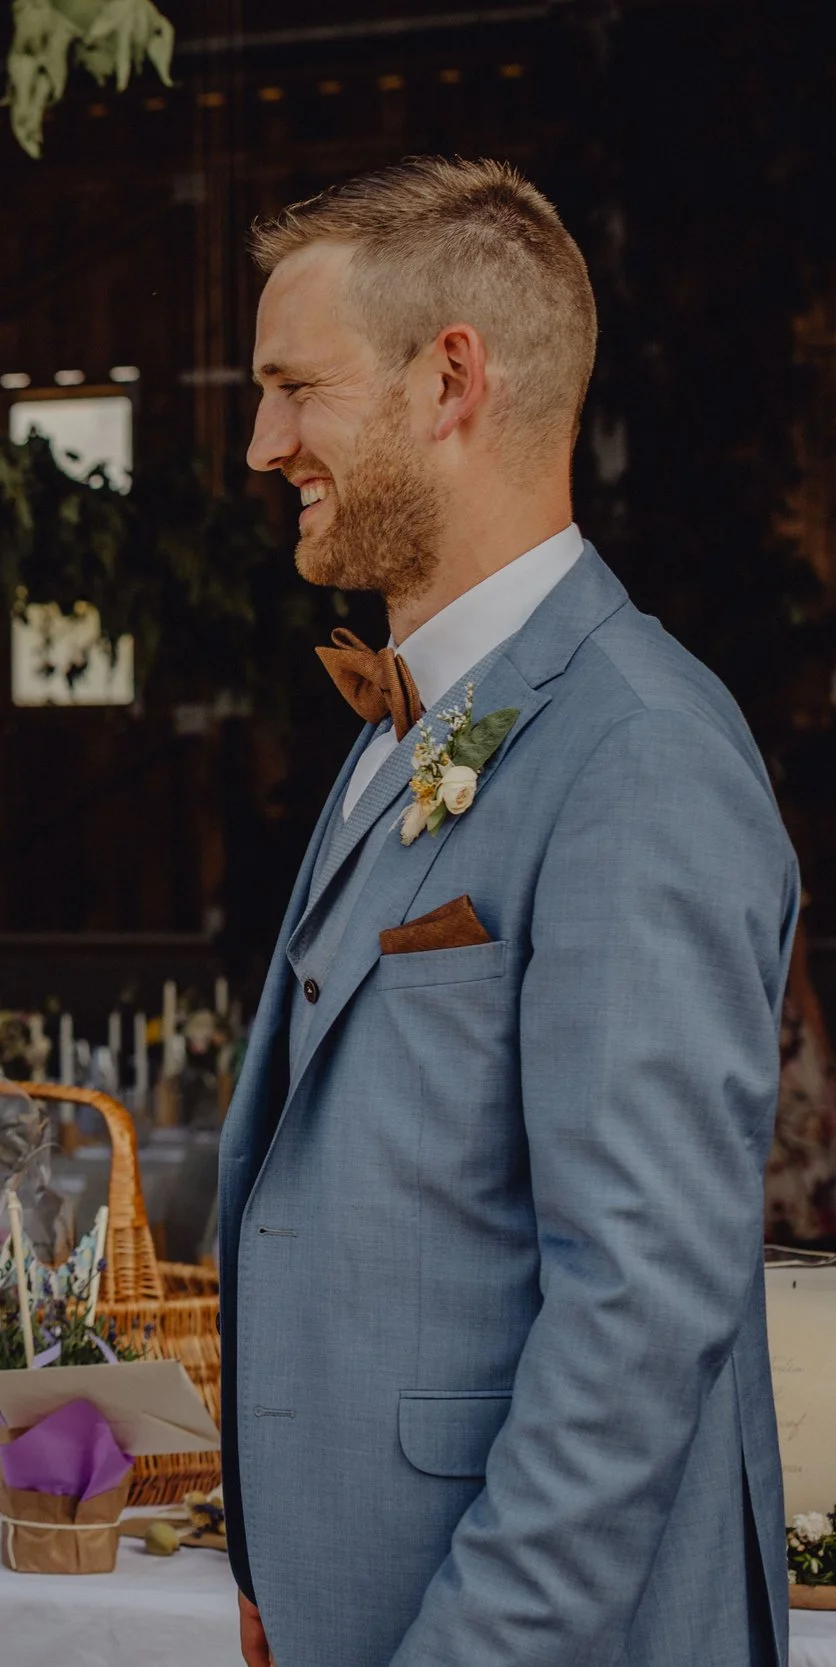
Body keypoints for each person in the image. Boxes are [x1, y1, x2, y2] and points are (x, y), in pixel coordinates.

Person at [221, 158, 795, 1667]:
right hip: (360, 1595)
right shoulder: (408, 720)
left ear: (450, 379)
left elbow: (639, 1305)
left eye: (294, 388)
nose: (261, 441)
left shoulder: (642, 748)